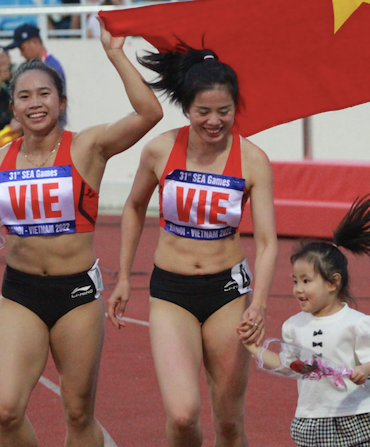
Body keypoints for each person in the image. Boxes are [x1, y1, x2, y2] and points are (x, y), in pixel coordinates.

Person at [0, 20, 163, 446]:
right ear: (13, 108)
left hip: (76, 295)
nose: (35, 103)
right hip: (21, 294)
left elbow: (149, 114)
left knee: (78, 414)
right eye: (24, 96)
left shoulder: (88, 147)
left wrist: (115, 54)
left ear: (61, 102)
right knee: (6, 411)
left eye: (45, 94)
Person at [106, 43, 278, 446]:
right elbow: (133, 207)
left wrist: (259, 304)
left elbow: (268, 242)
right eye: (203, 111)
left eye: (224, 111)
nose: (214, 121)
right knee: (183, 415)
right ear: (186, 108)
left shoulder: (253, 160)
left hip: (227, 293)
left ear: (235, 108)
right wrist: (124, 277)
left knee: (229, 422)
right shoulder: (160, 149)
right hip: (172, 292)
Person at [238, 195, 370, 447]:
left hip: (357, 412)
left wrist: (366, 369)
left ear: (333, 282)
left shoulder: (358, 323)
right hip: (314, 417)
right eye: (295, 281)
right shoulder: (293, 326)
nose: (298, 289)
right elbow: (288, 365)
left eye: (306, 281)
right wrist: (253, 348)